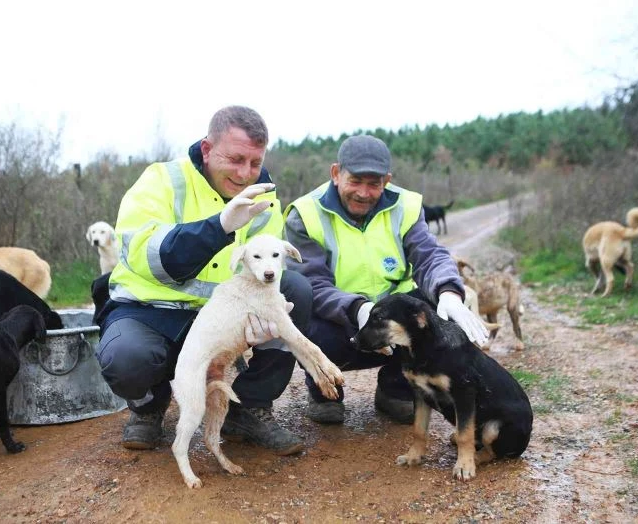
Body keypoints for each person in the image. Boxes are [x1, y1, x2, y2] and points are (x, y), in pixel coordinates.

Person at [95, 106, 312, 455]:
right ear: (208, 150)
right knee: (126, 356)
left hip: (221, 315)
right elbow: (150, 256)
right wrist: (219, 227)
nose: (245, 174)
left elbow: (266, 272)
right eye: (235, 159)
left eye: (254, 163)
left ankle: (249, 407)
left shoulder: (265, 197)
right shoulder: (162, 180)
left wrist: (264, 319)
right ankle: (148, 407)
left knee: (296, 292)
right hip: (151, 311)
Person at [284, 134, 489, 425]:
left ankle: (396, 389)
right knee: (301, 304)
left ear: (387, 180)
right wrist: (359, 309)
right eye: (355, 181)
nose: (364, 193)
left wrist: (449, 293)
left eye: (374, 184)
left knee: (436, 307)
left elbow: (430, 256)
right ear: (335, 173)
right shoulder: (304, 214)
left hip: (392, 324)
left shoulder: (405, 206)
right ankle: (324, 389)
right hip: (340, 323)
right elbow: (313, 283)